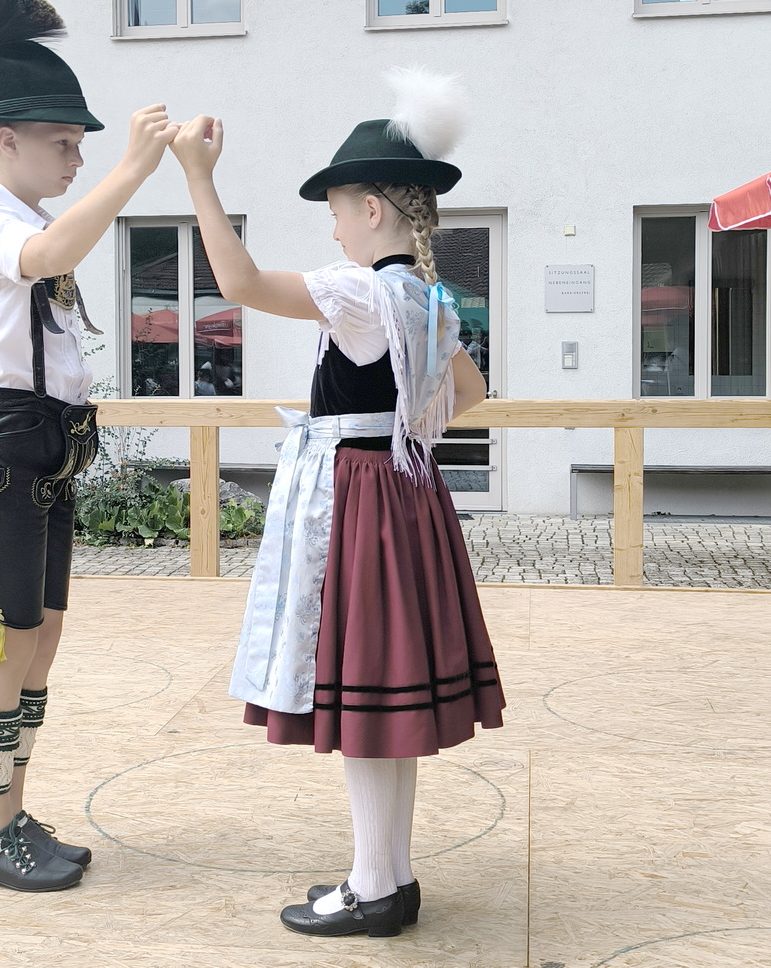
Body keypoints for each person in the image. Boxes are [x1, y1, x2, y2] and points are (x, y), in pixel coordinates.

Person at [170, 67, 506, 938]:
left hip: (358, 499)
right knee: (389, 699)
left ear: (372, 210)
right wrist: (403, 429)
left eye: (337, 207)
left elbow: (239, 281)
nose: (331, 224)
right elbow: (469, 390)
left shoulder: (362, 292)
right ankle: (390, 875)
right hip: (406, 493)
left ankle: (372, 886)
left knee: (364, 700)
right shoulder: (426, 299)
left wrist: (198, 176)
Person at [0, 0, 179, 893]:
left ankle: (12, 811)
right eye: (64, 142)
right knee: (4, 637)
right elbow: (48, 256)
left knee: (40, 636)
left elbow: (56, 251)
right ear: (7, 140)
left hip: (45, 448)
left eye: (83, 145)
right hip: (5, 448)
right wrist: (133, 169)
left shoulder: (29, 217)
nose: (77, 157)